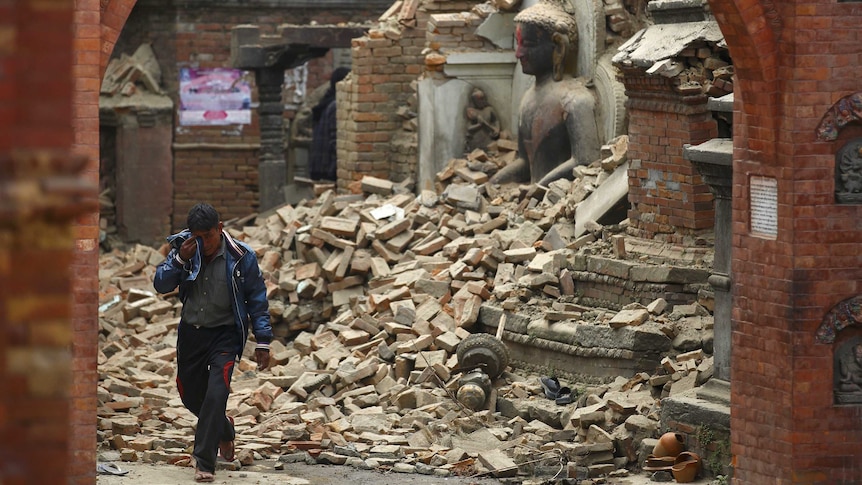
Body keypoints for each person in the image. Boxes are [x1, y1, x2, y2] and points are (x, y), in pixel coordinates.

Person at [153, 203, 272, 483]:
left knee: (217, 393)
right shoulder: (185, 251)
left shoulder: (241, 257)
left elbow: (257, 299)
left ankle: (204, 462)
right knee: (189, 394)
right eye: (198, 237)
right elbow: (160, 284)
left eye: (208, 236)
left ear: (220, 229)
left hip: (225, 335)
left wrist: (263, 341)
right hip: (192, 334)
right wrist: (180, 260)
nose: (203, 243)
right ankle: (225, 429)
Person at [490, 0, 601, 187]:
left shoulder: (576, 100)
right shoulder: (527, 99)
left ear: (558, 47)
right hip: (534, 201)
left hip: (560, 200)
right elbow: (526, 163)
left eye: (528, 44)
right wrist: (493, 182)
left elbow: (585, 160)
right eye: (518, 44)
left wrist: (539, 188)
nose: (519, 54)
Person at [309, 67, 351, 181]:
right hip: (327, 169)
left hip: (320, 166)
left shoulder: (326, 102)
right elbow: (335, 141)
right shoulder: (335, 106)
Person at [465, 87, 501, 153]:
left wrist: (497, 129)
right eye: (475, 100)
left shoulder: (489, 109)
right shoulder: (471, 111)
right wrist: (479, 125)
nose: (477, 102)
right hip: (475, 141)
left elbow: (496, 120)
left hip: (488, 139)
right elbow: (469, 128)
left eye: (478, 100)